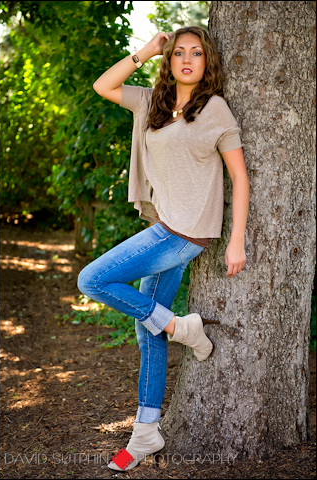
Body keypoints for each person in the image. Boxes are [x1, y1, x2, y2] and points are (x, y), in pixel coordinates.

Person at [77, 26, 249, 471]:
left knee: (92, 279)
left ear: (207, 63)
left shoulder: (214, 109)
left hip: (185, 232)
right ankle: (146, 433)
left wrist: (235, 240)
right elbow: (103, 85)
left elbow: (240, 177)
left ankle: (181, 327)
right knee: (146, 329)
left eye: (196, 53)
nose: (187, 59)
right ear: (169, 61)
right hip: (163, 223)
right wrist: (147, 49)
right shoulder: (151, 103)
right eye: (178, 53)